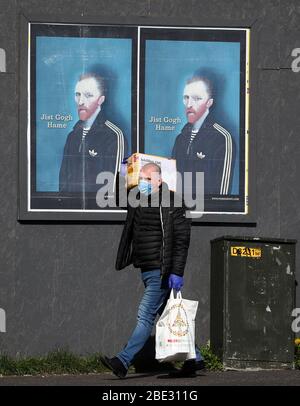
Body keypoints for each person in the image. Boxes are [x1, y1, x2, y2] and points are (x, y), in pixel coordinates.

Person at [100, 162, 204, 378]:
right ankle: (196, 358)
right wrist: (122, 172)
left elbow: (181, 240)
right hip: (146, 269)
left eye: (148, 179)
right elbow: (118, 198)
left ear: (159, 179)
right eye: (141, 179)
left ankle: (122, 361)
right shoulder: (137, 199)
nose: (144, 183)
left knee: (145, 315)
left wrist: (176, 271)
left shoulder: (174, 202)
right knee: (168, 312)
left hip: (162, 270)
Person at [59, 72, 126, 200]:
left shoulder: (113, 135)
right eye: (77, 94)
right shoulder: (72, 136)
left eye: (88, 95)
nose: (81, 101)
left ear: (101, 99)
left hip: (99, 214)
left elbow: (116, 187)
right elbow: (63, 182)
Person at [172, 75, 236, 198]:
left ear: (209, 103)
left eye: (196, 98)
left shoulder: (222, 138)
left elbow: (221, 197)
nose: (189, 104)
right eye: (186, 97)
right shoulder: (180, 139)